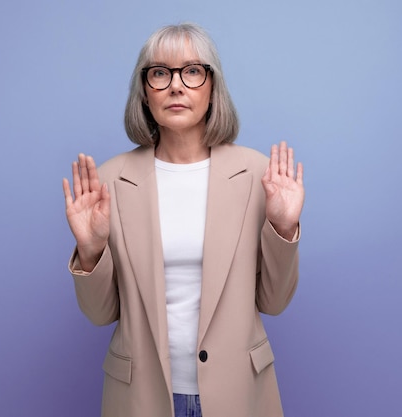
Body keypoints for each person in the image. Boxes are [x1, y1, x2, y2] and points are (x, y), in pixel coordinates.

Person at [62, 22, 304, 417]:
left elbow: (274, 303)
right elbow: (100, 315)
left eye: (192, 71)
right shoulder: (109, 182)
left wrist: (282, 229)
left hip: (239, 394)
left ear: (213, 87)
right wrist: (90, 252)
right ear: (145, 91)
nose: (176, 86)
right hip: (141, 398)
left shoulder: (259, 175)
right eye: (160, 72)